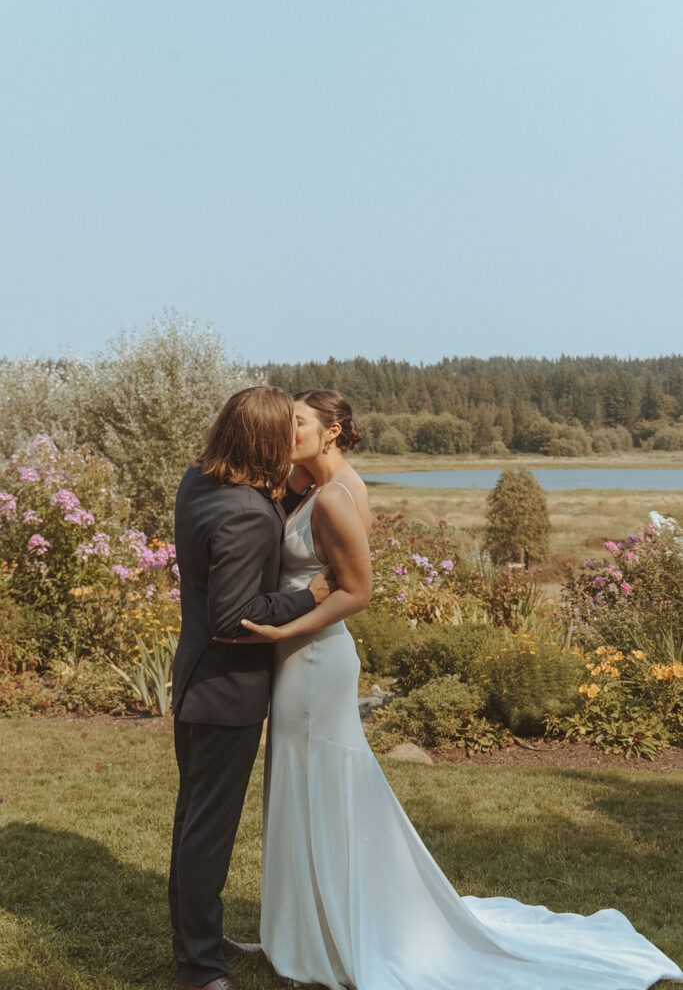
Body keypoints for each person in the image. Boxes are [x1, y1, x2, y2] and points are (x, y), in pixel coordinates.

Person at [233, 388, 683, 990]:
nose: (286, 430)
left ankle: (328, 939)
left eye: (298, 422)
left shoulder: (337, 497)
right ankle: (294, 931)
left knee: (320, 787)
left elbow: (357, 593)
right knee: (298, 786)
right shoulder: (307, 484)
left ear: (333, 431)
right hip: (299, 659)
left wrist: (282, 628)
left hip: (314, 660)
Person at [169, 385, 333, 990]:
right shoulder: (242, 511)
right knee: (207, 832)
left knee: (195, 822)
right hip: (224, 691)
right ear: (264, 441)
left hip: (196, 682)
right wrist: (306, 596)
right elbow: (233, 616)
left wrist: (289, 493)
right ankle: (201, 970)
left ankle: (199, 944)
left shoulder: (200, 482)